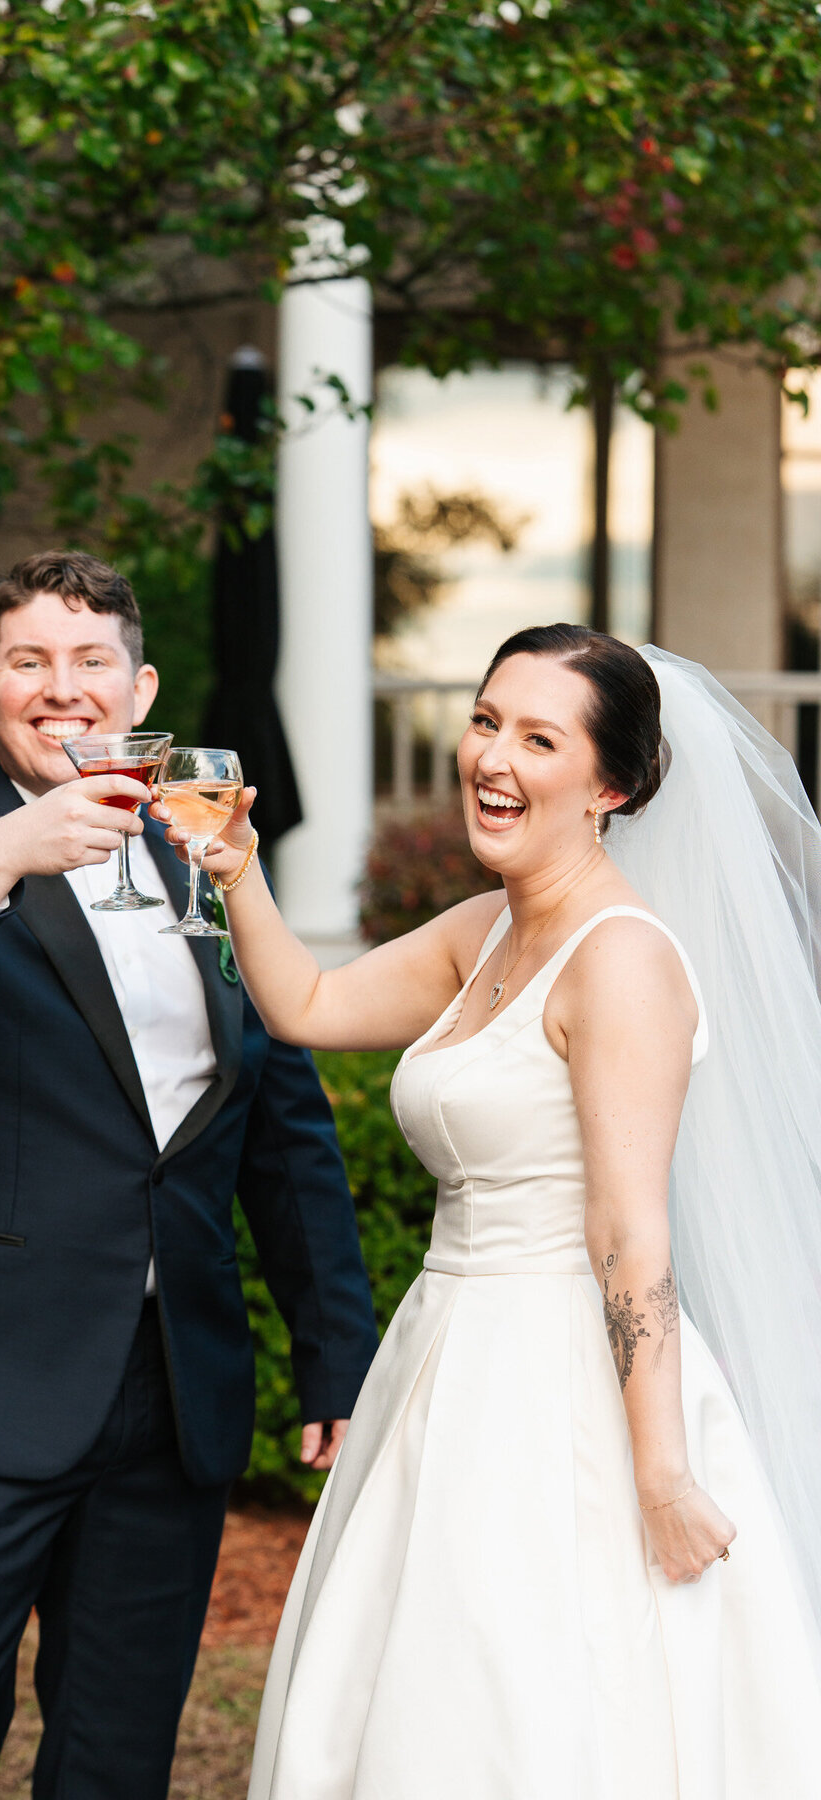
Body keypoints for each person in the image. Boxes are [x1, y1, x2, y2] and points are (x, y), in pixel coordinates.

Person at [154, 624, 821, 1798]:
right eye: (483, 721)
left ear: (612, 787)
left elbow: (629, 1232)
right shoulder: (491, 930)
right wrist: (235, 865)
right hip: (444, 1352)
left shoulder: (620, 962)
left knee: (529, 1694)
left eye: (539, 738)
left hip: (560, 1381)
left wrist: (660, 1473)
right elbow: (307, 1002)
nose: (491, 758)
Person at [0, 550, 380, 1800]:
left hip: (170, 1397)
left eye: (91, 660)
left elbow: (278, 1117)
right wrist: (1, 858)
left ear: (138, 684)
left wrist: (336, 1350)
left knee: (116, 1759)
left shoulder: (203, 851)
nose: (64, 690)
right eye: (30, 663)